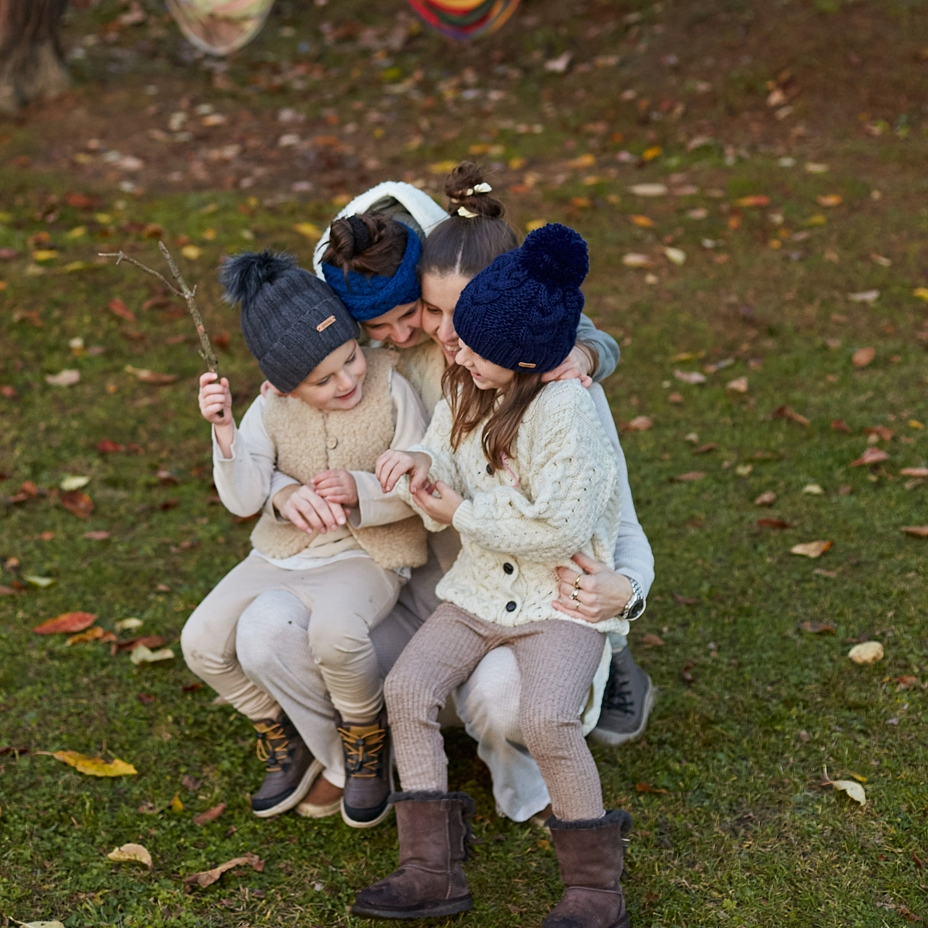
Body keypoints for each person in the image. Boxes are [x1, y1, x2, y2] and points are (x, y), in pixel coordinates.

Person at [252, 164, 654, 823]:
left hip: (531, 586)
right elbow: (318, 396)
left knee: (511, 700)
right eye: (424, 310)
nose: (435, 331)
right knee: (314, 642)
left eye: (450, 314)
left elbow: (609, 521)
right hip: (432, 585)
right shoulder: (374, 363)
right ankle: (359, 757)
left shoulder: (545, 375)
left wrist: (627, 596)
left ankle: (601, 673)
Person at [352, 224, 633, 928]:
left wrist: (464, 514)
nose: (459, 354)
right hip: (479, 593)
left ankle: (595, 893)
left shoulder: (568, 410)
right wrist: (423, 467)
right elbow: (448, 457)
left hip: (558, 599)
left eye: (478, 349)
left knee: (545, 717)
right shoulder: (470, 387)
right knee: (407, 689)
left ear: (524, 357)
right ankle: (429, 871)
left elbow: (559, 528)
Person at [180, 251, 429, 827]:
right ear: (282, 385)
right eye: (324, 379)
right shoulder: (269, 411)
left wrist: (362, 489)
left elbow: (425, 479)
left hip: (366, 555)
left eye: (349, 358)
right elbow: (244, 497)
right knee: (202, 641)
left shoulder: (390, 386)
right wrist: (248, 459)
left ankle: (366, 741)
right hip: (282, 552)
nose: (347, 380)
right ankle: (281, 731)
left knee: (336, 635)